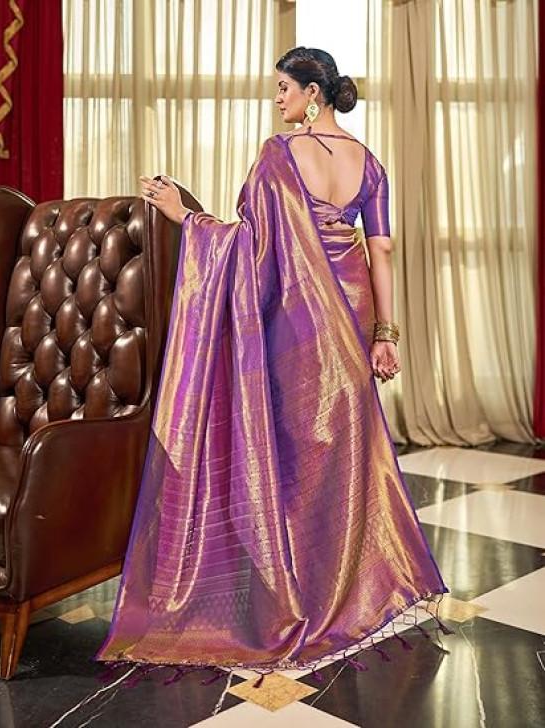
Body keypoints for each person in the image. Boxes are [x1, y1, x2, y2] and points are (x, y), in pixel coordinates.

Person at [94, 47, 450, 687]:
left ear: (314, 93)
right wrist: (386, 334)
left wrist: (187, 217)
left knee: (287, 449)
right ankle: (344, 589)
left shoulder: (280, 154)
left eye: (284, 87)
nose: (278, 99)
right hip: (354, 307)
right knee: (338, 451)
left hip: (298, 313)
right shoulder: (369, 163)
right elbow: (383, 249)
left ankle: (293, 594)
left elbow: (253, 243)